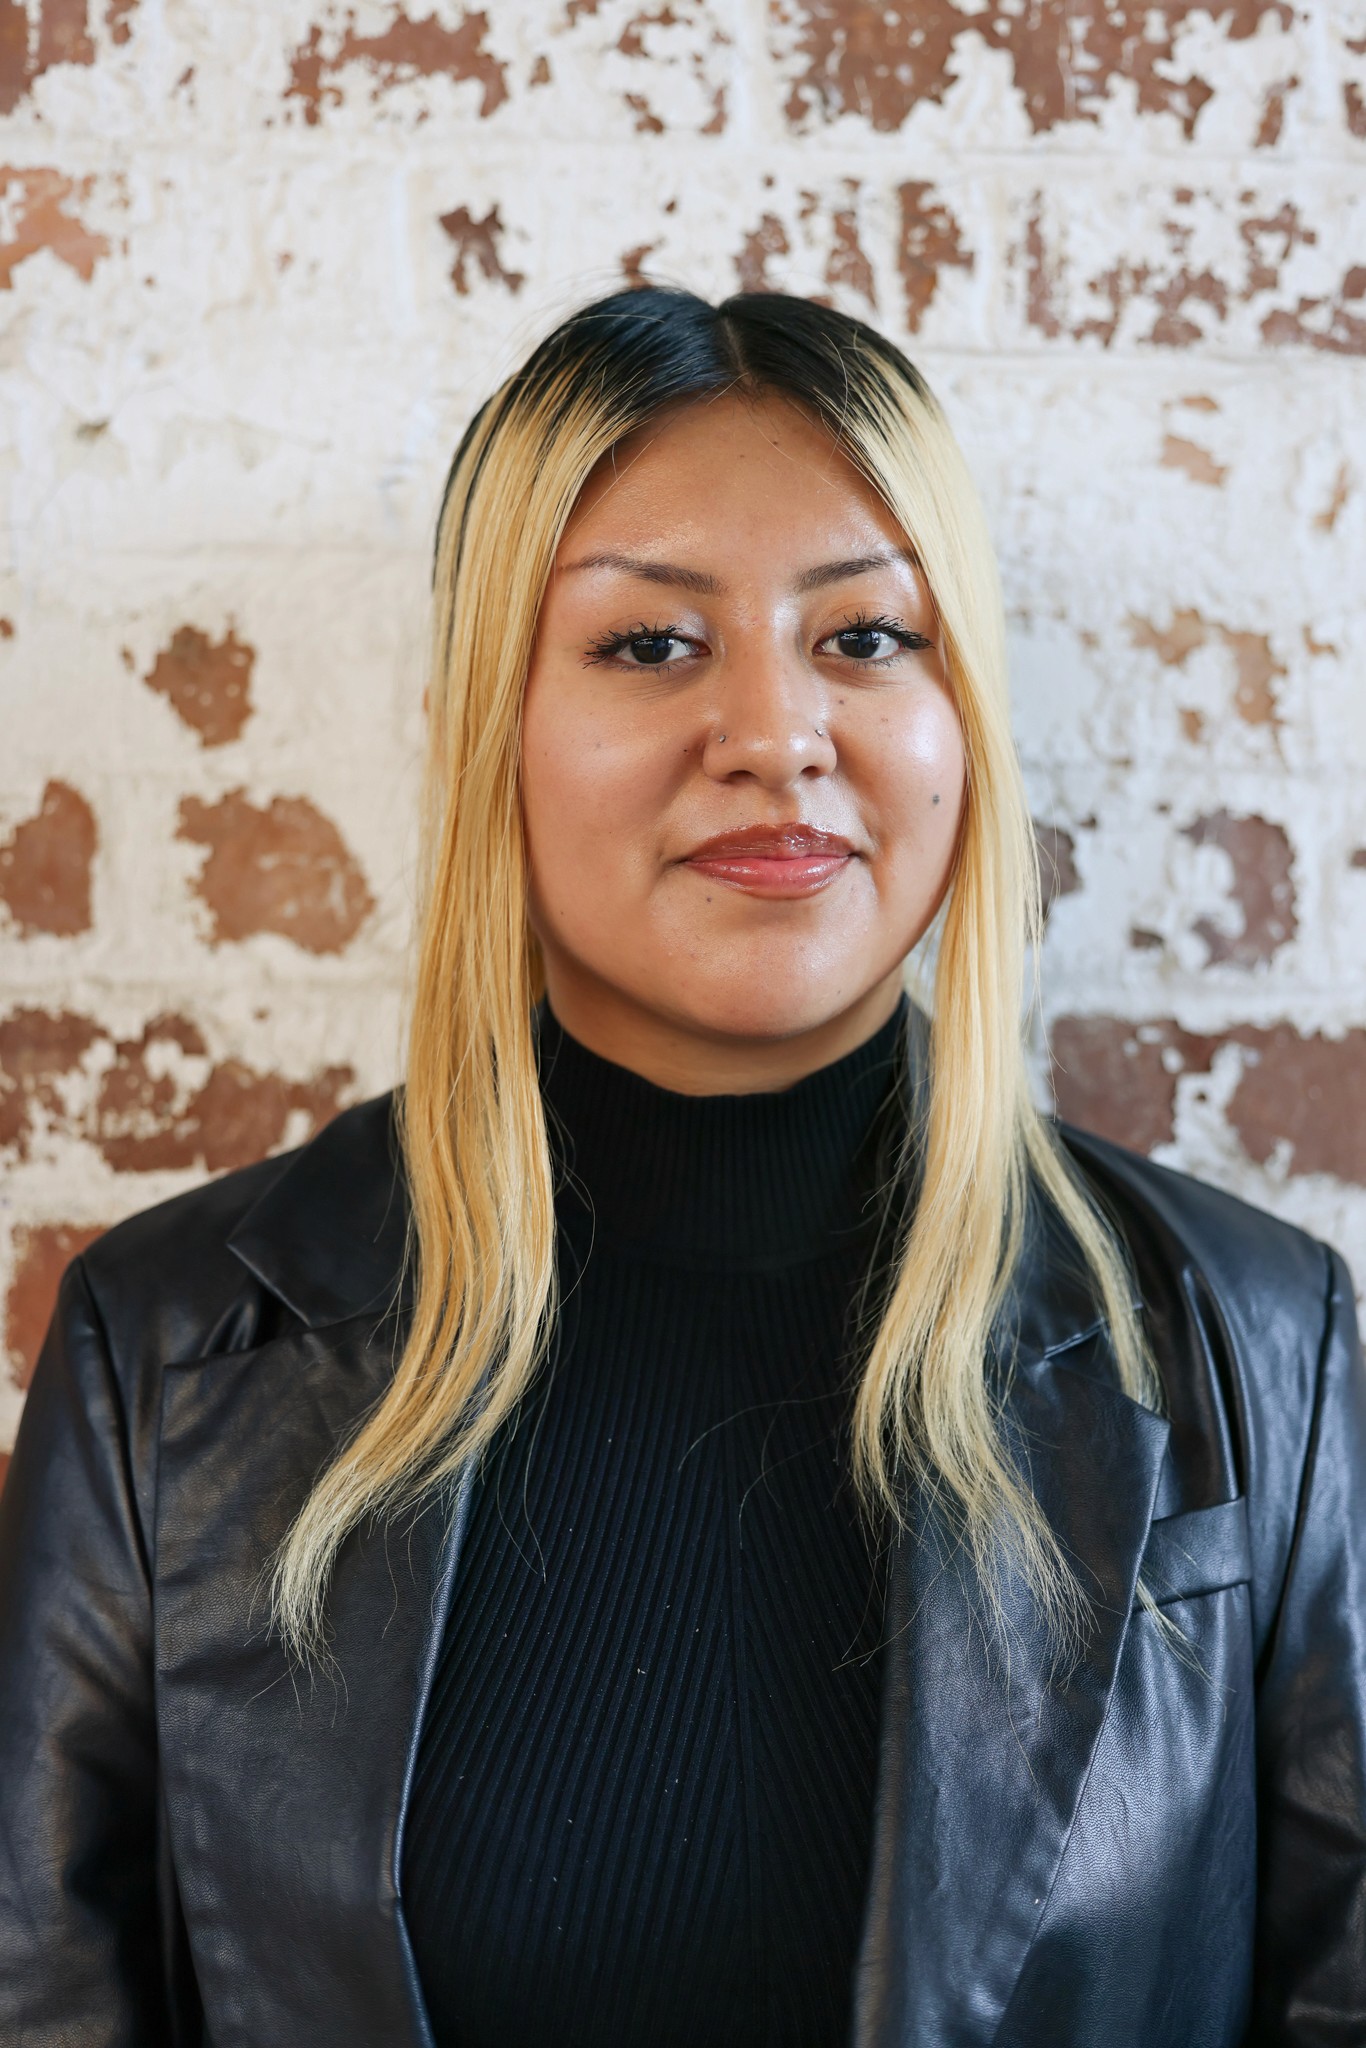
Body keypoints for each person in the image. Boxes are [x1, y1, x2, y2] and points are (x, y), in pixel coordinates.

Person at [0, 287, 1362, 2048]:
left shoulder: (1258, 1344)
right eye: (649, 643)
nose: (776, 733)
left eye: (866, 635)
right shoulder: (169, 1351)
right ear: (491, 719)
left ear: (963, 714)